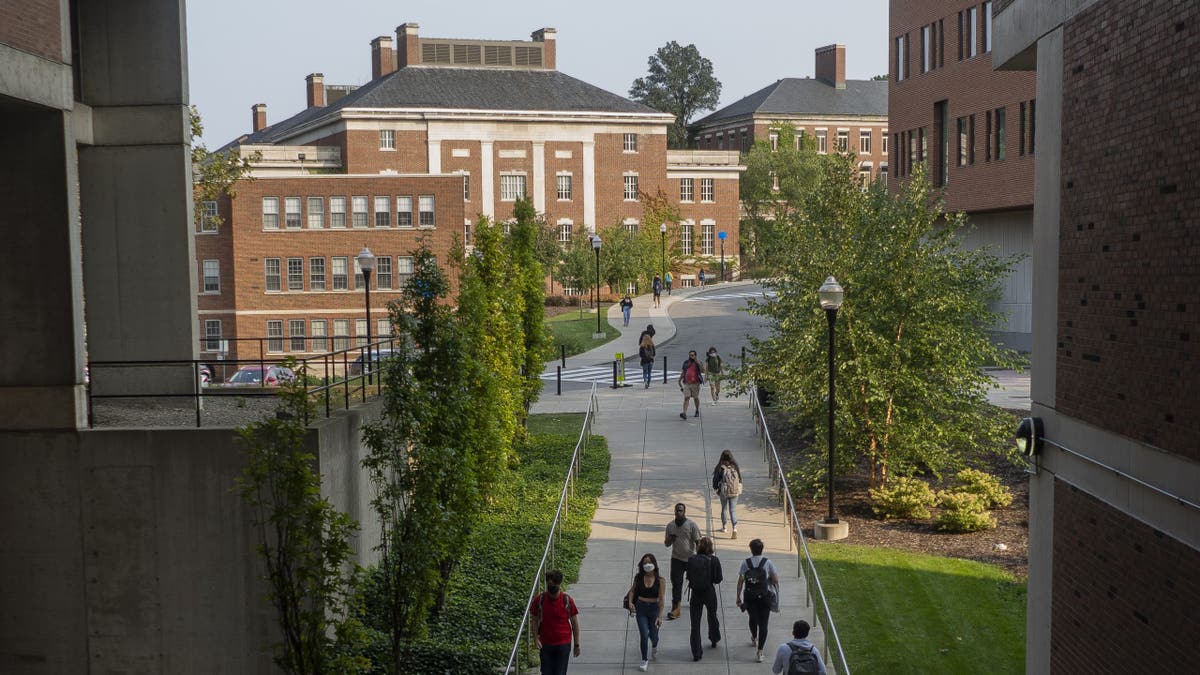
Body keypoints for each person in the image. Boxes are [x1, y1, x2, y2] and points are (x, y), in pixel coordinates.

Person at [529, 569, 581, 675]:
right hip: (546, 644)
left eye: (554, 585)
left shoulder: (567, 600)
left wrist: (576, 644)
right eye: (549, 585)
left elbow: (575, 624)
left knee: (560, 672)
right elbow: (534, 620)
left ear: (559, 584)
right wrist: (535, 638)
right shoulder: (540, 600)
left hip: (563, 644)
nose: (551, 588)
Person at [737, 538, 780, 663]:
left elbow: (741, 581)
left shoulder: (745, 563)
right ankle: (760, 651)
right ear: (762, 549)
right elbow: (775, 579)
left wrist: (738, 596)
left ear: (751, 550)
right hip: (764, 596)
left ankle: (754, 637)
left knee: (752, 618)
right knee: (764, 623)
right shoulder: (768, 562)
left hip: (749, 597)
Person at [624, 553, 665, 671]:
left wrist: (660, 616)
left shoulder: (660, 580)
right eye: (645, 563)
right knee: (643, 633)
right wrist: (631, 602)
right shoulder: (638, 577)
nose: (647, 565)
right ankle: (644, 659)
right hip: (641, 608)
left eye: (649, 562)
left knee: (653, 636)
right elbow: (632, 591)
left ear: (654, 564)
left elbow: (661, 599)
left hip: (654, 609)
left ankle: (655, 644)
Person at [685, 536, 723, 661]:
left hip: (696, 593)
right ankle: (714, 638)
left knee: (695, 624)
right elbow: (718, 579)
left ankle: (696, 652)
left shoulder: (691, 559)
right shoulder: (714, 560)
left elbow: (689, 576)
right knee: (712, 616)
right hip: (709, 592)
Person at [663, 502, 700, 620]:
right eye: (676, 510)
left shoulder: (691, 525)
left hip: (690, 559)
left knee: (694, 583)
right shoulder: (670, 526)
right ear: (674, 511)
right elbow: (667, 544)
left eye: (680, 510)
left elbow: (698, 541)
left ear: (684, 512)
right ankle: (676, 608)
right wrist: (671, 538)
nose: (678, 512)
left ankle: (696, 602)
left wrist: (700, 557)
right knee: (676, 584)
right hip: (676, 559)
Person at [711, 449, 742, 538]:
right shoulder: (735, 466)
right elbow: (739, 478)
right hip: (734, 491)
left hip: (723, 491)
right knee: (732, 510)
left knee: (724, 509)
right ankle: (735, 528)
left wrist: (716, 489)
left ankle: (724, 527)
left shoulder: (720, 467)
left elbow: (715, 480)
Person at [678, 350, 704, 419]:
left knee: (695, 398)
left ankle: (697, 410)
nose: (691, 356)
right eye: (690, 355)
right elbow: (684, 371)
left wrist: (698, 363)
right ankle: (684, 413)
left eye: (692, 355)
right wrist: (679, 380)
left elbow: (703, 370)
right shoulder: (686, 362)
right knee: (686, 397)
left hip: (695, 383)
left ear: (695, 356)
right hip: (687, 383)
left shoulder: (698, 362)